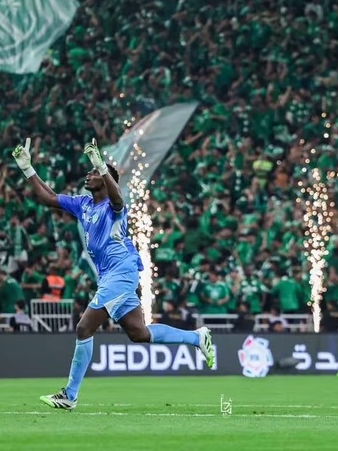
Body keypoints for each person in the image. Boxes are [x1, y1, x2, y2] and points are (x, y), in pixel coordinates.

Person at [12, 137, 215, 411]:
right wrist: (27, 169)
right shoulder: (83, 204)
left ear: (105, 181)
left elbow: (118, 197)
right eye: (91, 171)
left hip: (121, 273)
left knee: (84, 327)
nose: (89, 174)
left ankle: (70, 395)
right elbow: (49, 198)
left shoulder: (114, 207)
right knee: (138, 333)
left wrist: (102, 167)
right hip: (110, 276)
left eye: (94, 172)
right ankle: (197, 338)